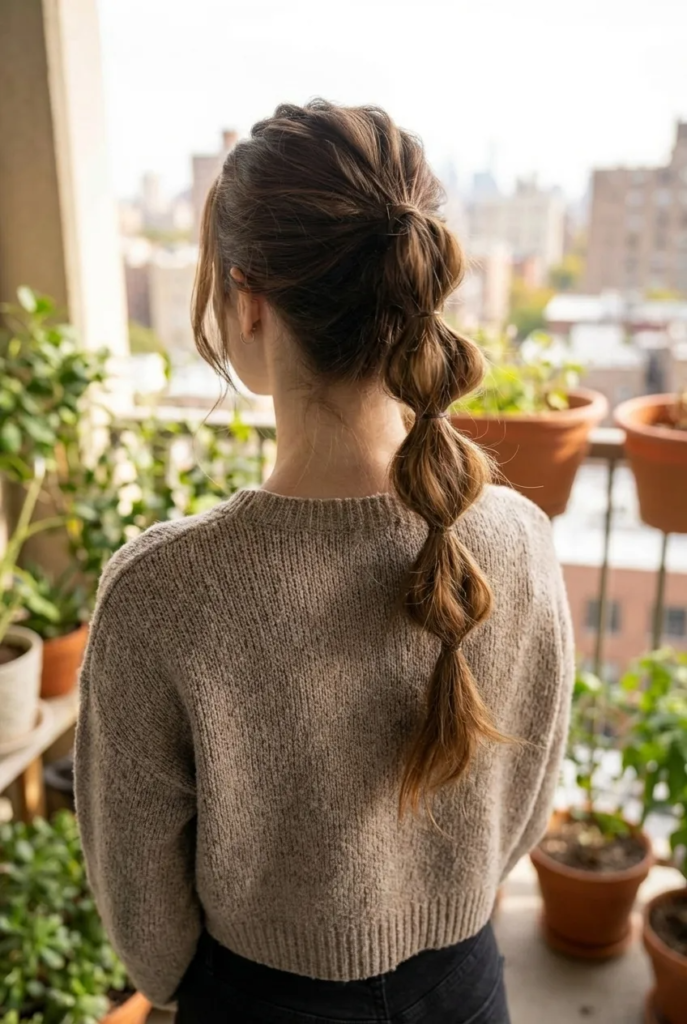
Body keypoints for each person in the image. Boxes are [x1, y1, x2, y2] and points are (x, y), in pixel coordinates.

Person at [75, 100, 574, 1024]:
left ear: (248, 299)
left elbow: (141, 908)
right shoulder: (520, 539)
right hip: (465, 990)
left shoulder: (161, 594)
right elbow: (529, 803)